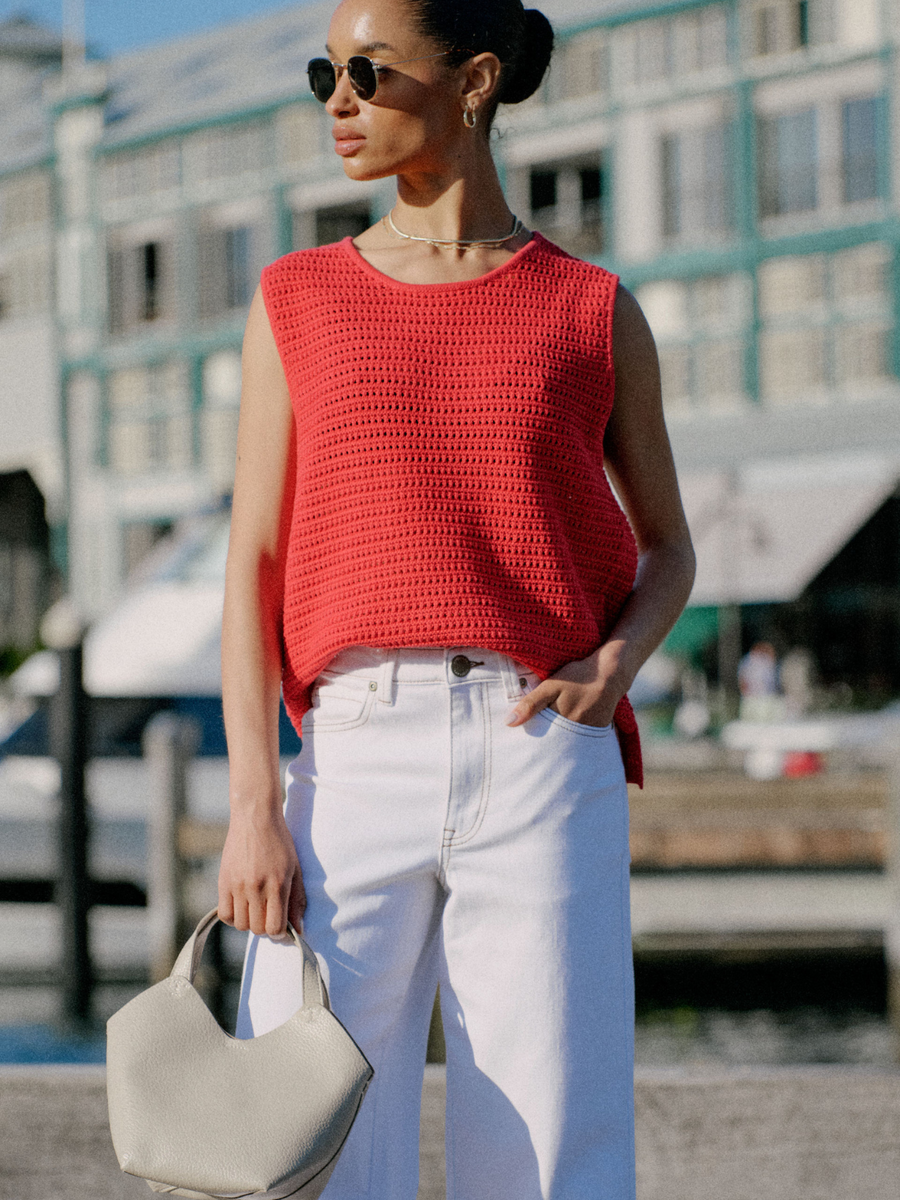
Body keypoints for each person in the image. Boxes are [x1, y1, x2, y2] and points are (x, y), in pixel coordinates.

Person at [216, 1, 696, 1196]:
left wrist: (615, 665)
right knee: (296, 1147)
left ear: (474, 81)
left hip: (540, 752)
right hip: (349, 753)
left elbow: (670, 548)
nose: (337, 98)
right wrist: (250, 806)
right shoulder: (296, 300)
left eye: (368, 72)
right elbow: (253, 562)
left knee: (549, 1158)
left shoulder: (591, 310)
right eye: (323, 71)